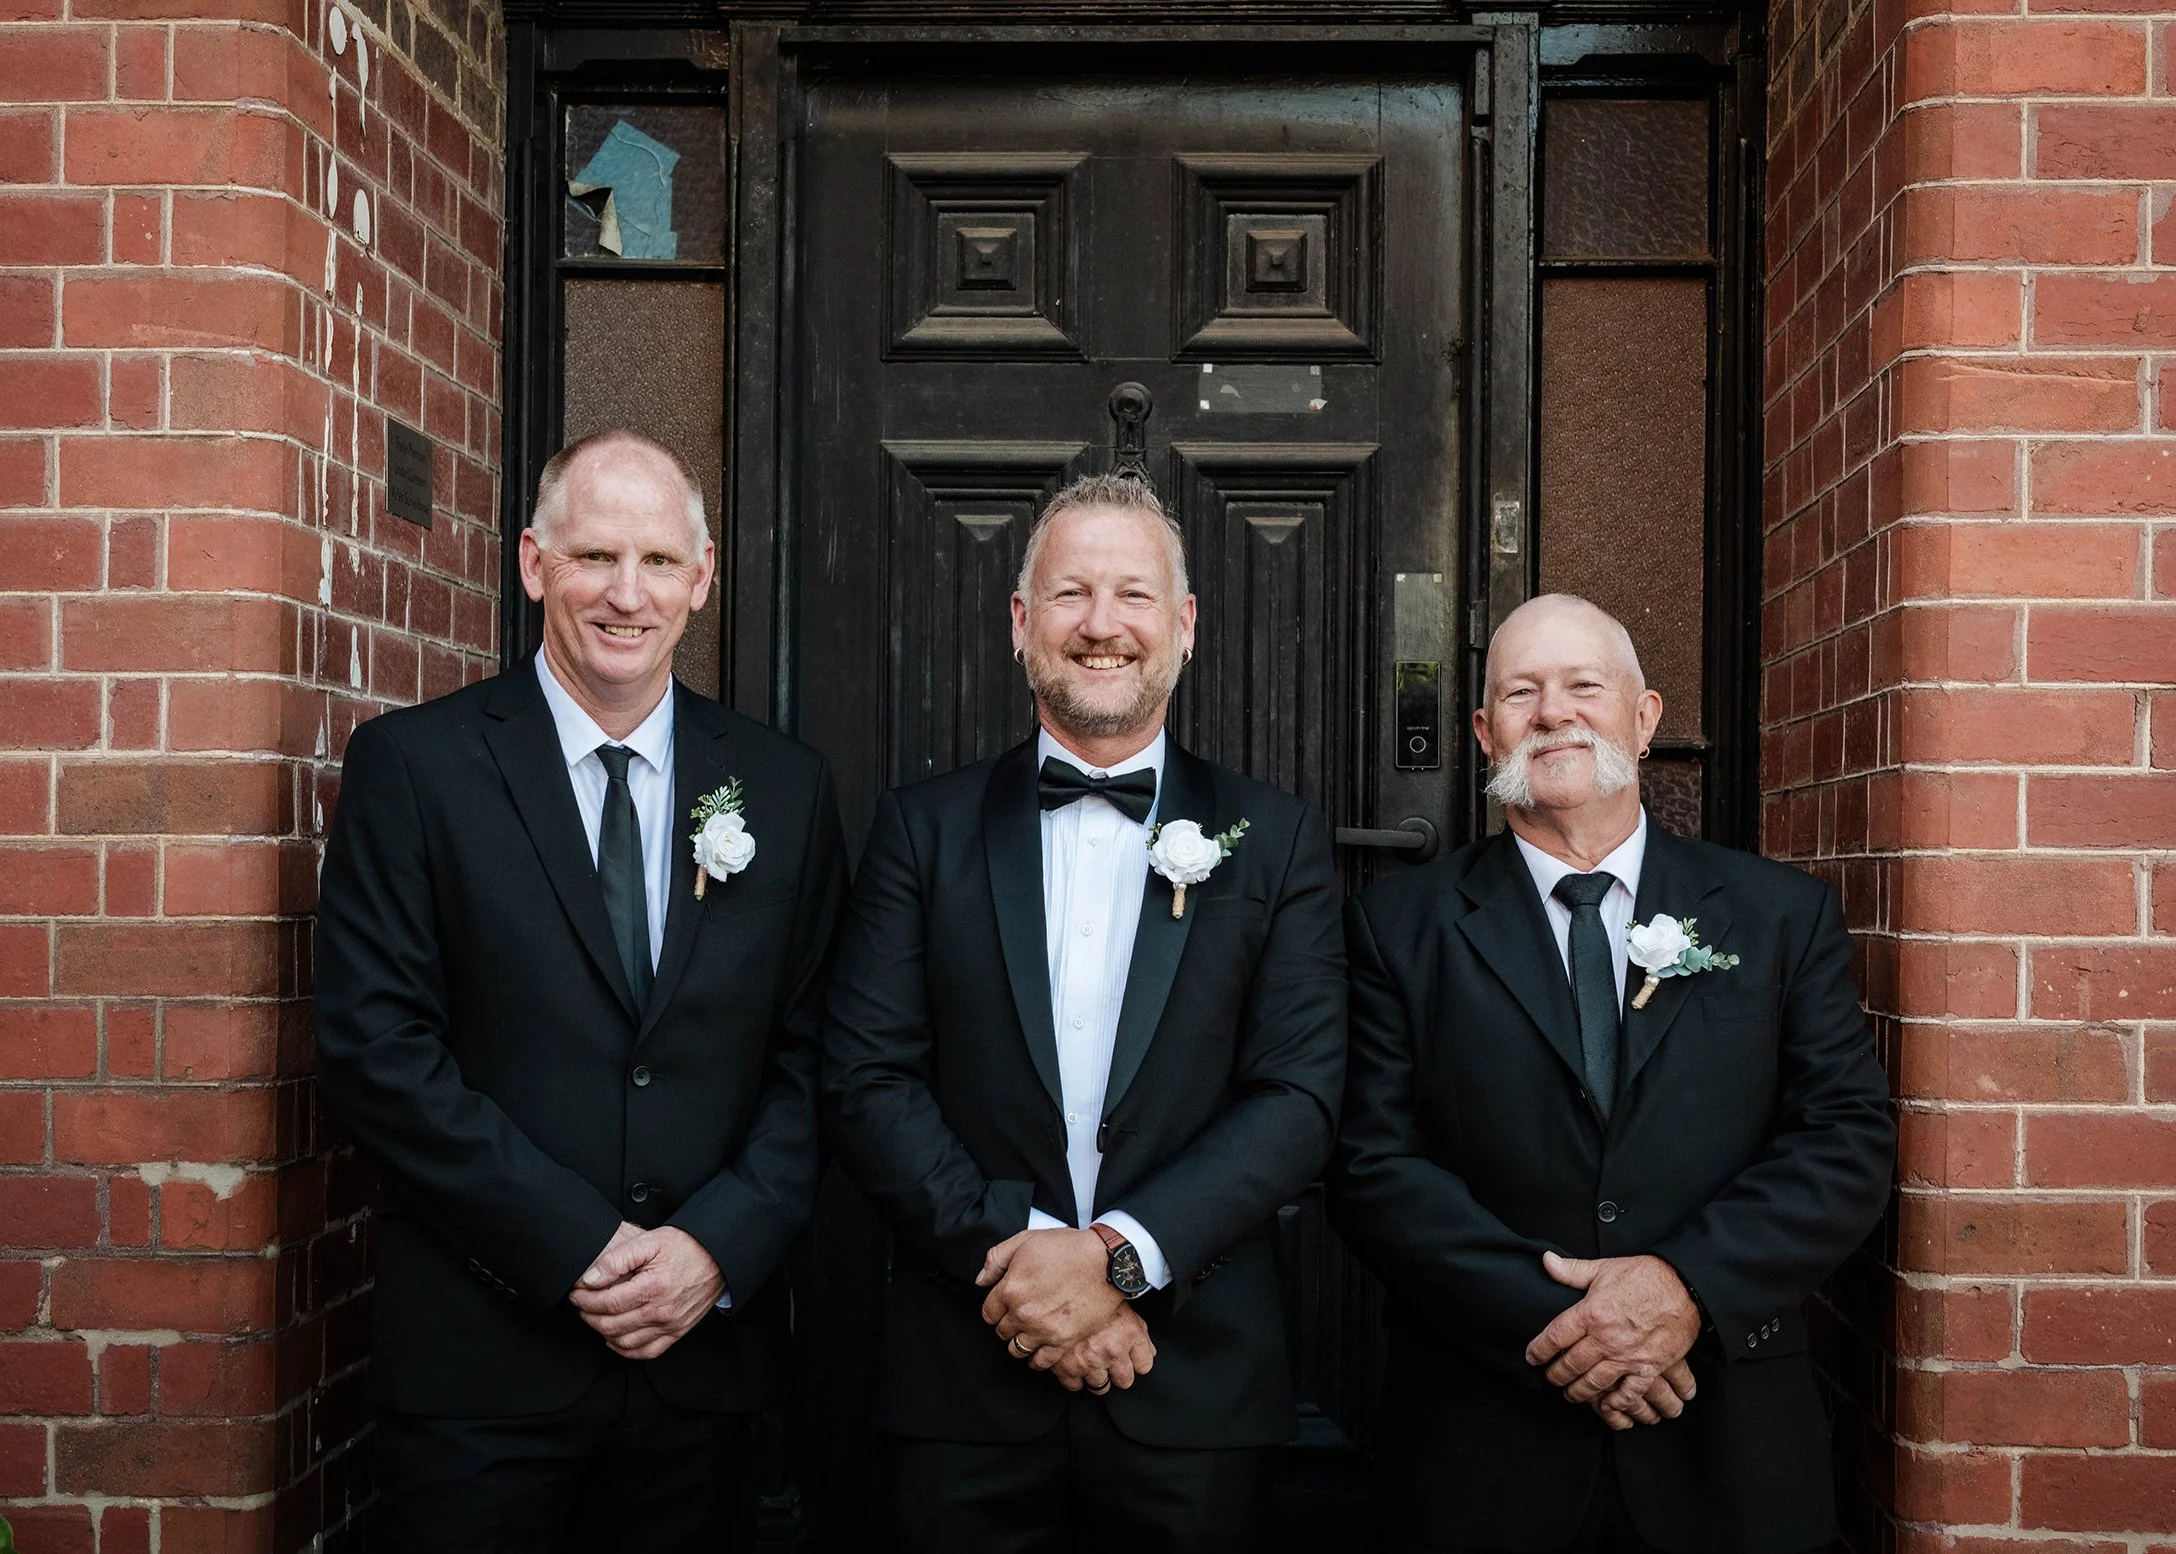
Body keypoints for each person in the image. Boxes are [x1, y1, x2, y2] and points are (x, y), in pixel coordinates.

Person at [313, 429, 845, 1552]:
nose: (625, 594)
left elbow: (815, 1057)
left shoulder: (784, 789)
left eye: (658, 562)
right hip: (481, 1372)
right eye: (594, 555)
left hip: (702, 1374)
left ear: (703, 578)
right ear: (532, 563)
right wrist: (574, 1245)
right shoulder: (414, 770)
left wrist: (715, 1248)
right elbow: (377, 1051)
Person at [820, 473, 1347, 1552]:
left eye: (1133, 595)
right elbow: (868, 1076)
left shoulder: (1278, 838)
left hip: (1192, 1377)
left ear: (1185, 625)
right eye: (1069, 594)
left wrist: (1115, 1258)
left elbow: (1297, 1097)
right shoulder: (921, 830)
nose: (1101, 625)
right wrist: (1029, 1268)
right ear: (1021, 623)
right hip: (965, 1375)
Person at [1328, 593, 1894, 1554]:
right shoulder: (1400, 927)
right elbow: (1374, 1168)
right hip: (1485, 1439)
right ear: (1482, 729)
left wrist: (1683, 1293)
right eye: (1520, 692)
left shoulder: (1778, 916)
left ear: (1645, 717)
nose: (1553, 712)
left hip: (1726, 1432)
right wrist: (1574, 1328)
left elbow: (1845, 1142)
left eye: (1584, 685)